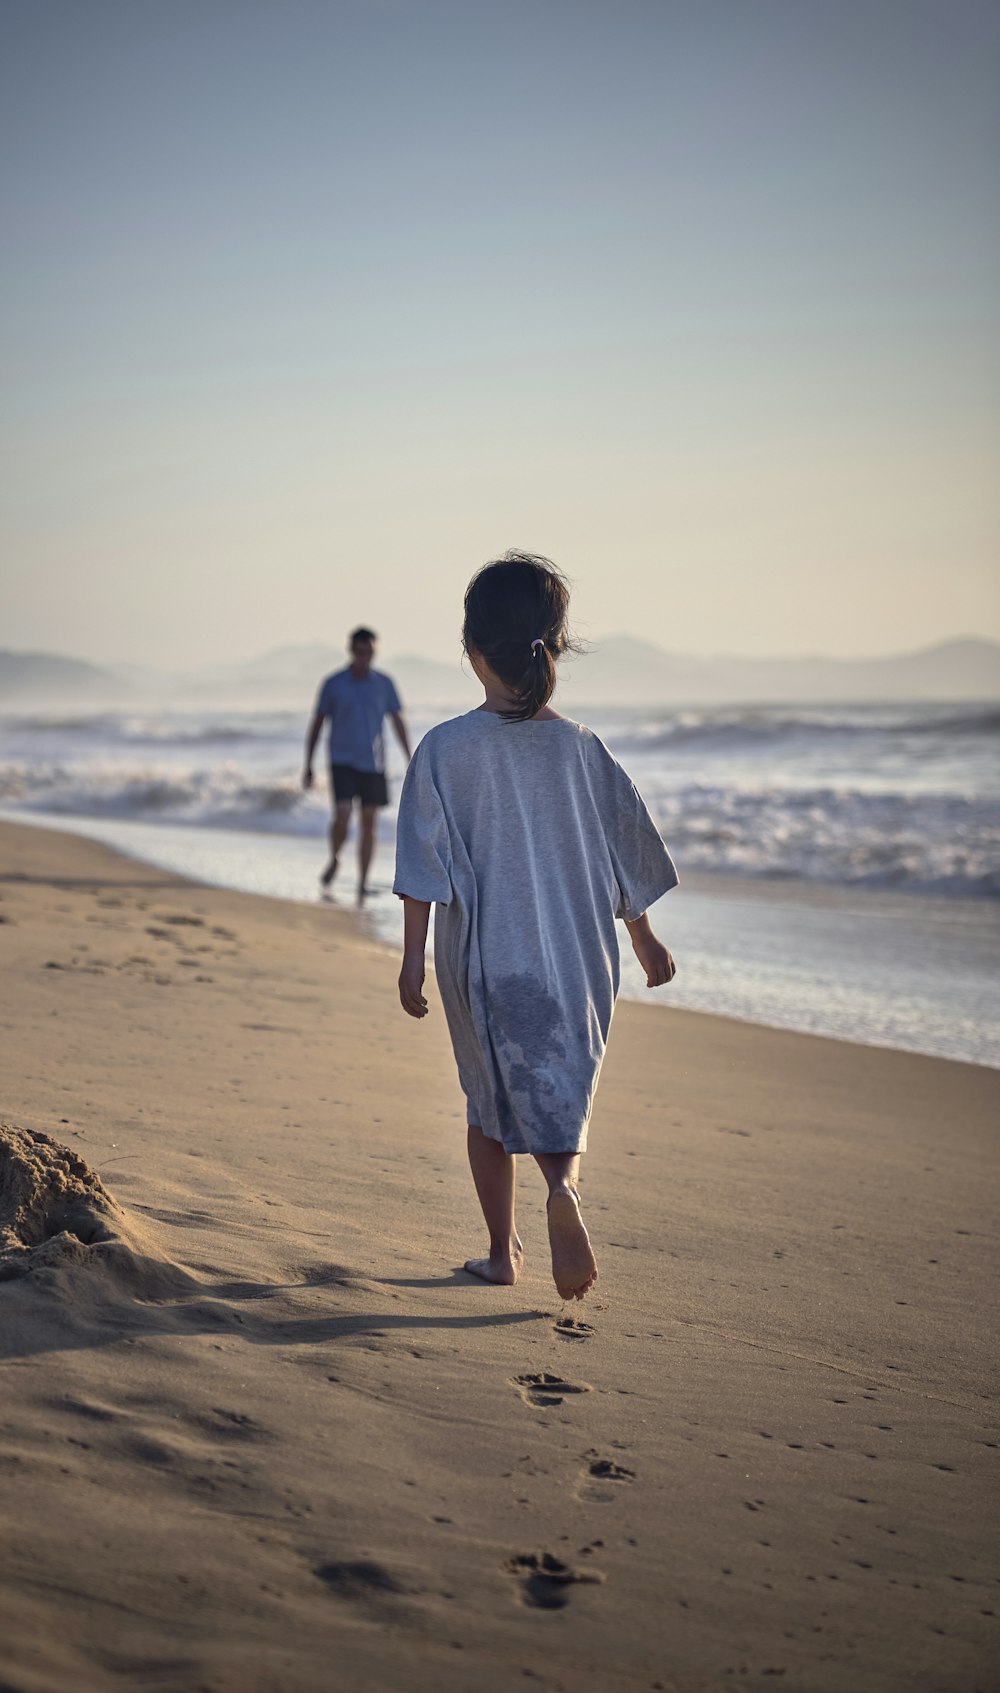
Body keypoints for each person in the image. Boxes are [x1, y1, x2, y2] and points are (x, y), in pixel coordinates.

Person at [392, 552, 677, 1302]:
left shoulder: (446, 749)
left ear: (471, 648)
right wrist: (643, 939)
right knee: (558, 1088)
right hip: (580, 955)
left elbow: (423, 865)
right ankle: (563, 1190)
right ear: (552, 648)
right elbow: (628, 852)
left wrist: (412, 959)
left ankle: (500, 1253)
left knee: (489, 1103)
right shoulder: (585, 748)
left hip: (487, 958)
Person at [303, 627, 410, 901]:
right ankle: (336, 856)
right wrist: (309, 764)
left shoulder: (384, 684)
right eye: (359, 652)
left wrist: (410, 756)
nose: (364, 657)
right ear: (351, 651)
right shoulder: (334, 683)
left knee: (369, 823)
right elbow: (317, 723)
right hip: (342, 761)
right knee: (342, 815)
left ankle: (362, 882)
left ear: (374, 652)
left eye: (369, 652)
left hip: (374, 764)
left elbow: (397, 721)